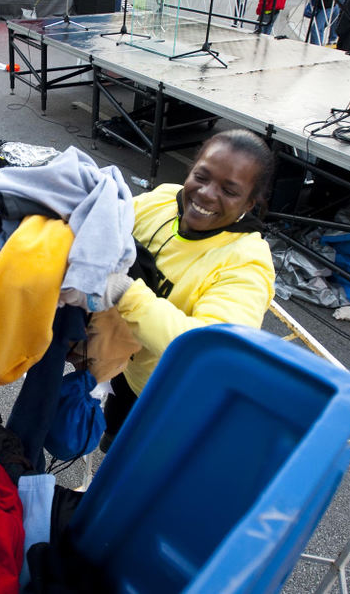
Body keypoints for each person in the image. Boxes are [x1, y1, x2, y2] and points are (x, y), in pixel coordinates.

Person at [96, 129, 276, 450]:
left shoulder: (247, 266)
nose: (206, 194)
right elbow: (111, 225)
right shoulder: (165, 199)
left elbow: (209, 350)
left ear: (252, 202)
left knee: (134, 472)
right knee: (113, 434)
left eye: (229, 190)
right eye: (201, 176)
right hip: (126, 367)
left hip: (168, 399)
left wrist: (125, 291)